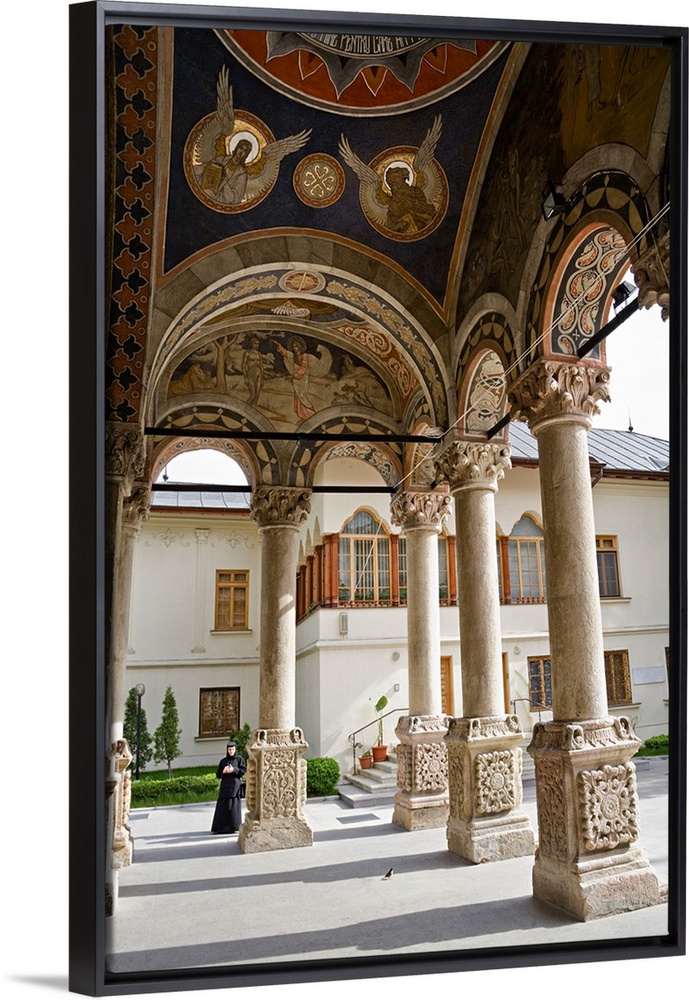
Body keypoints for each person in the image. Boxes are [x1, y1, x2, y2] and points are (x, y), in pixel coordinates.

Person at [211, 741, 247, 834]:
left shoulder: (239, 759)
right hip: (225, 787)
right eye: (229, 749)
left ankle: (234, 827)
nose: (231, 751)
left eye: (232, 749)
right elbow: (218, 775)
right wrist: (224, 771)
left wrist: (233, 770)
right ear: (227, 750)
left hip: (235, 787)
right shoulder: (223, 761)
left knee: (234, 807)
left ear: (235, 750)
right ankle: (220, 828)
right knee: (222, 806)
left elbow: (243, 771)